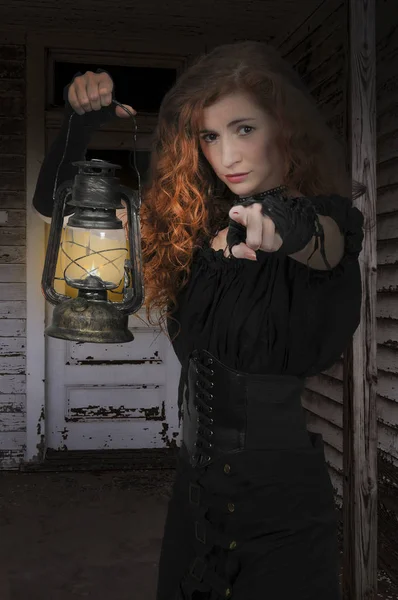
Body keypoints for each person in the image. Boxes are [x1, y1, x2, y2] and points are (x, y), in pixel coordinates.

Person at [33, 41, 364, 600]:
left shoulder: (328, 219)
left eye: (244, 129)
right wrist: (81, 122)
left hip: (277, 504)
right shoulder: (196, 224)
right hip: (196, 494)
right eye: (210, 136)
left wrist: (274, 230)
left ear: (285, 129)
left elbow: (321, 240)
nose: (227, 154)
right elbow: (54, 200)